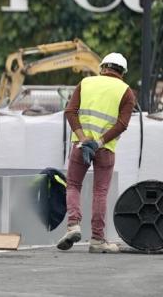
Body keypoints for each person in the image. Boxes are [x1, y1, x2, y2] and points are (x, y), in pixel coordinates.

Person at [57, 53, 135, 254]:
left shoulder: (86, 83)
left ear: (102, 67)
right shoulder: (126, 91)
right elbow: (122, 124)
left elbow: (70, 112)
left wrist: (84, 139)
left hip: (80, 145)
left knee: (73, 185)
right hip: (105, 149)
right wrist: (99, 142)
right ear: (122, 73)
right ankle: (97, 240)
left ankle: (73, 225)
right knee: (100, 192)